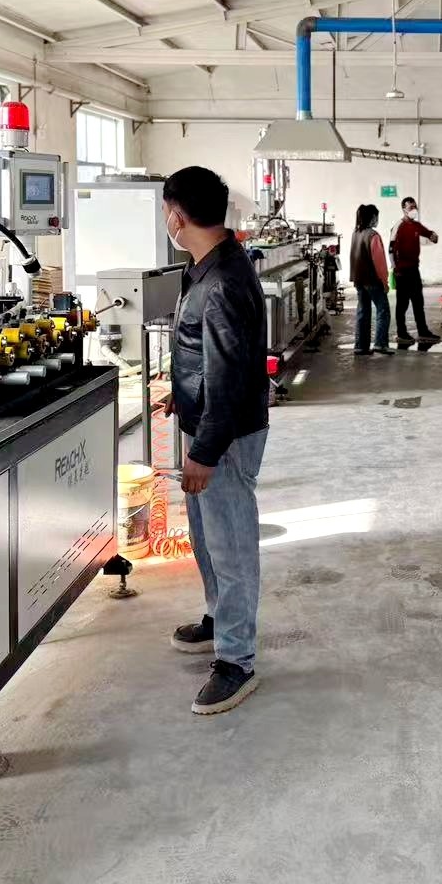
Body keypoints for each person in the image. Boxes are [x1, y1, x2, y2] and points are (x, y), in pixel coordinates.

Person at [161, 166, 270, 715]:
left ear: (177, 216)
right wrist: (182, 391)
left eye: (166, 211)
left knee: (231, 547)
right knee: (206, 538)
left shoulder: (223, 280)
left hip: (224, 435)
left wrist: (204, 451)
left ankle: (237, 660)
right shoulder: (205, 267)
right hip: (206, 422)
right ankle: (218, 617)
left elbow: (228, 377)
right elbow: (206, 356)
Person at [390, 196, 441, 347]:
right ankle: (401, 332)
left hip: (414, 269)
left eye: (415, 207)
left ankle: (423, 331)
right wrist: (395, 268)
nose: (414, 210)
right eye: (411, 207)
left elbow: (429, 234)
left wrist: (433, 236)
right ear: (404, 209)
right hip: (402, 271)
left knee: (418, 302)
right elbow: (391, 250)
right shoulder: (398, 226)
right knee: (402, 304)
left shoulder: (416, 226)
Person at [349, 203, 393, 357]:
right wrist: (385, 282)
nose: (377, 220)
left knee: (363, 311)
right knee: (383, 311)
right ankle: (380, 344)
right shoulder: (373, 235)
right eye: (377, 217)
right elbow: (379, 262)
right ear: (373, 217)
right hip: (373, 280)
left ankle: (360, 346)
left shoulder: (356, 233)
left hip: (359, 280)